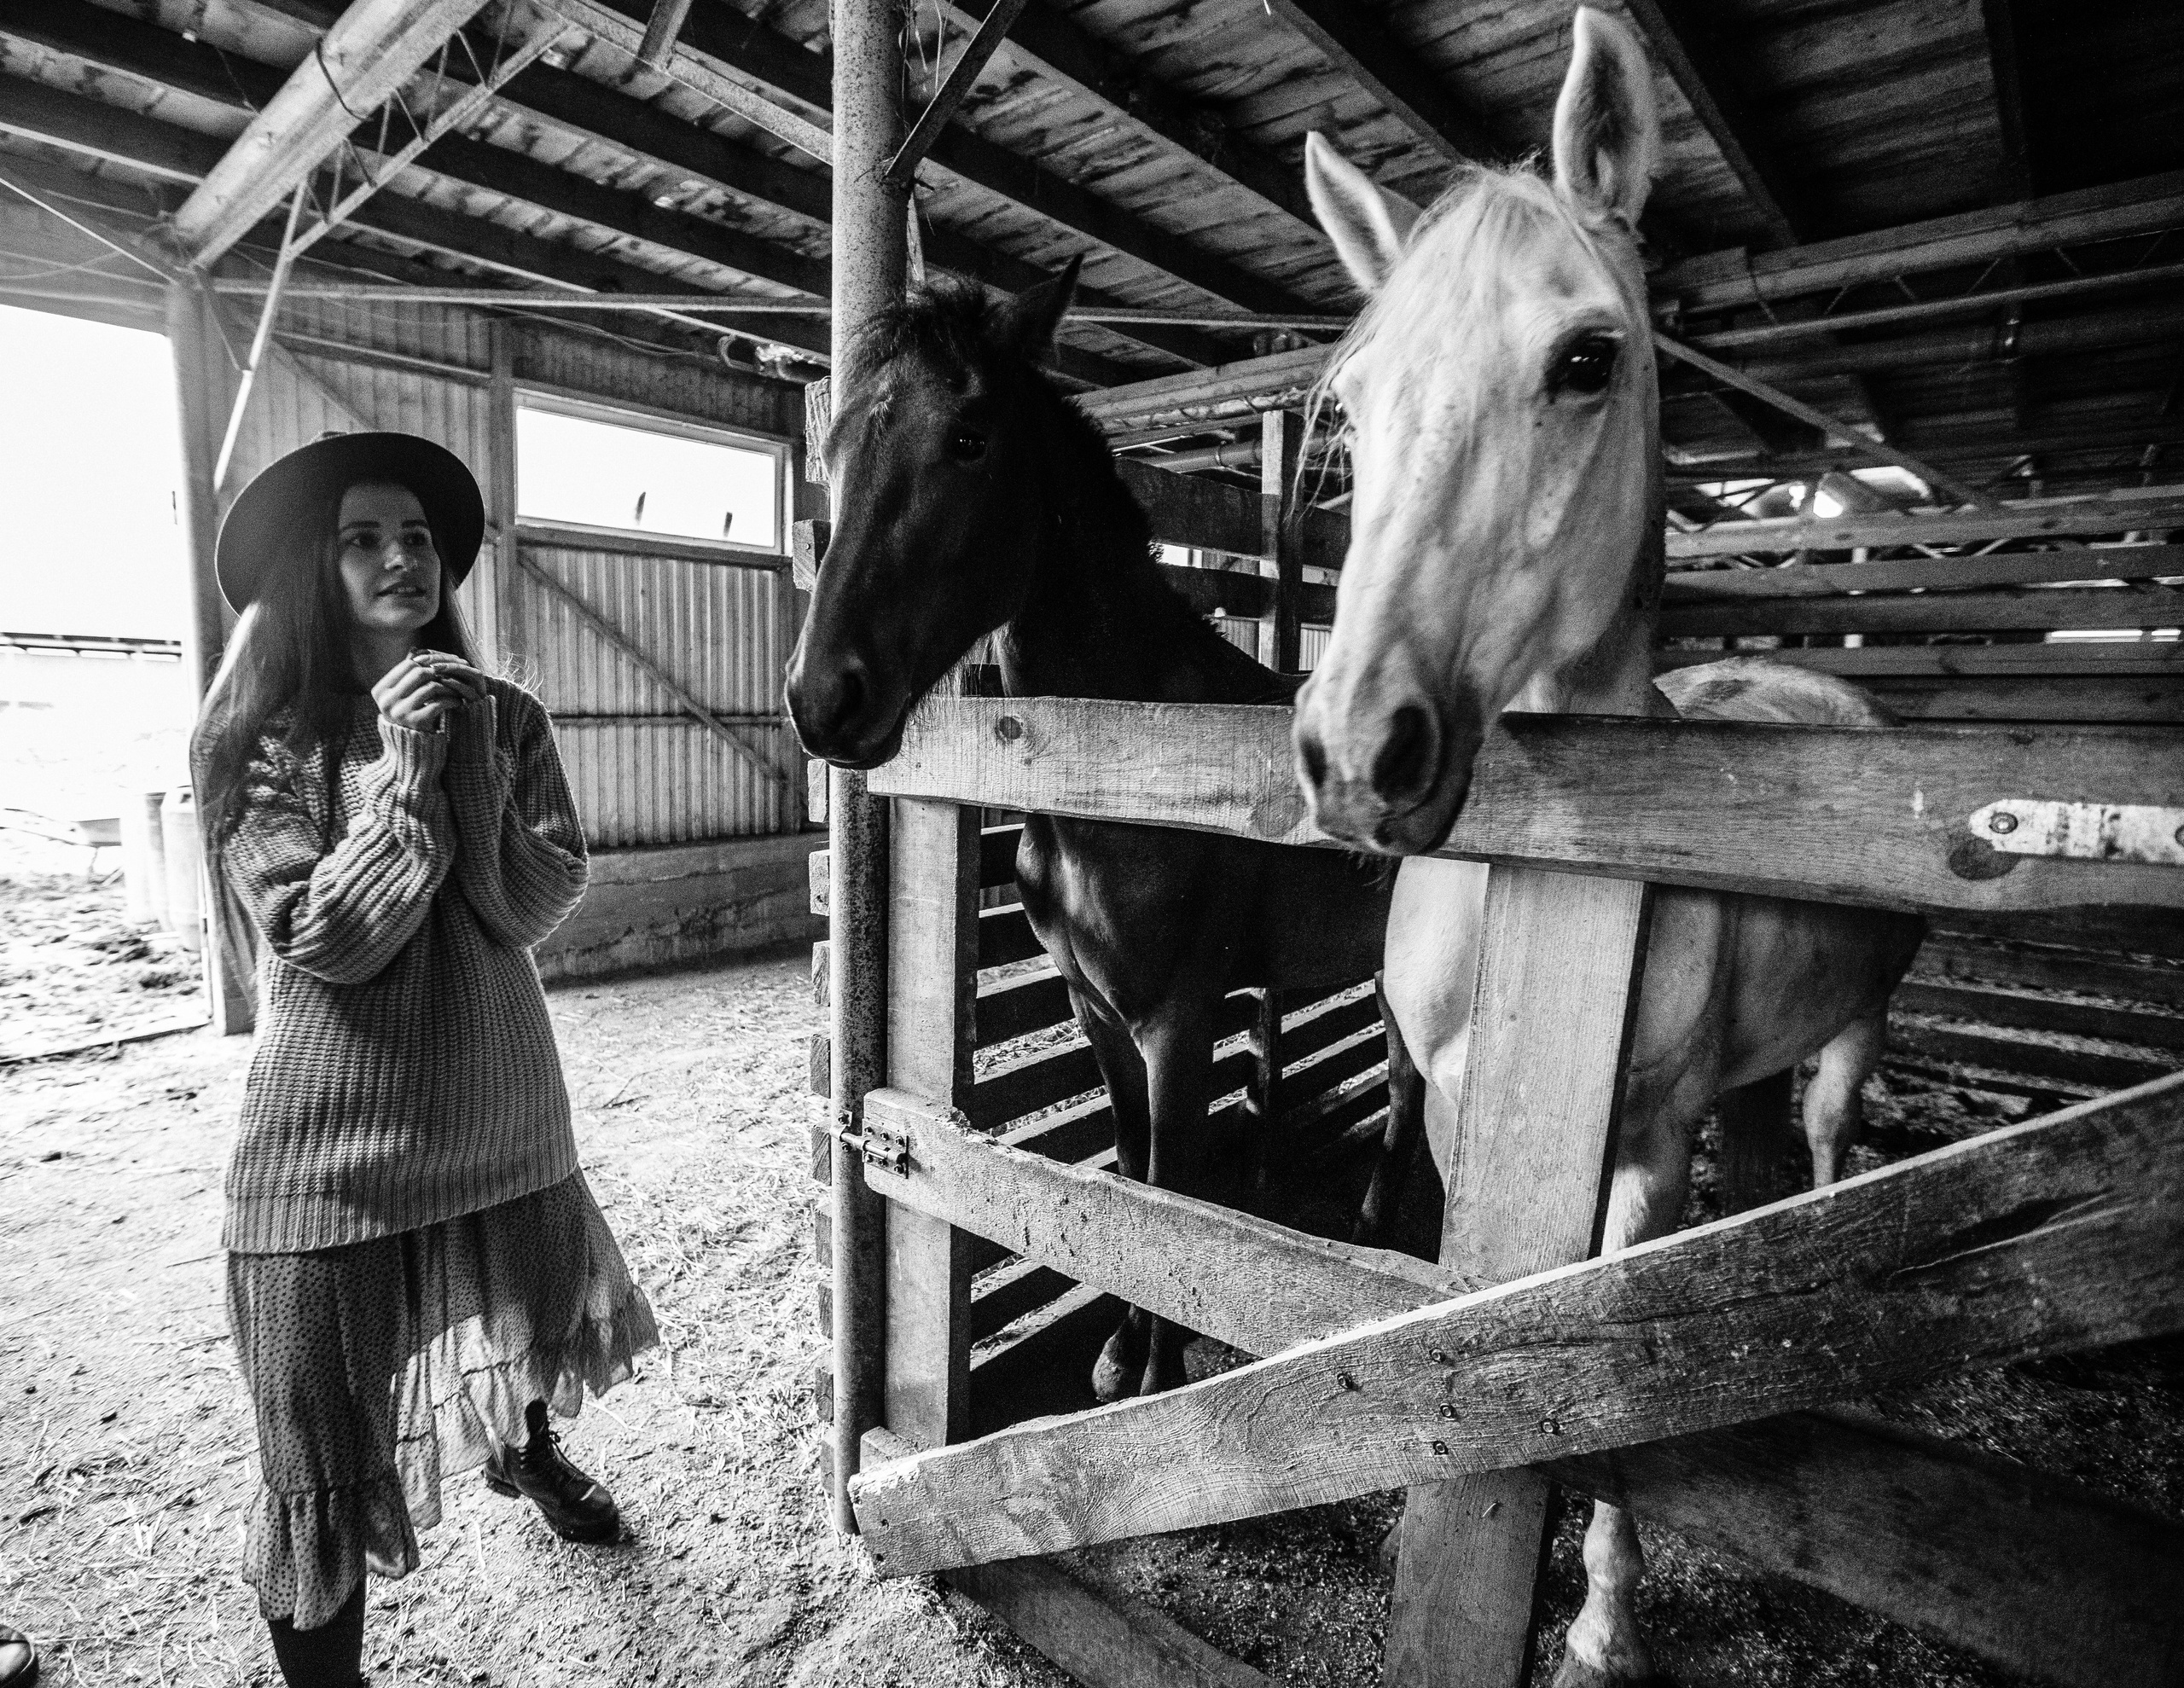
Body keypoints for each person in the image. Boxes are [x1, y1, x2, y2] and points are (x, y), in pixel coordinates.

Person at [190, 432, 658, 1687]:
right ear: (313, 565)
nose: (402, 557)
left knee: (520, 1316)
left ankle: (526, 1452)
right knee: (316, 1454)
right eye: (363, 538)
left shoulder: (505, 715)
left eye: (417, 539)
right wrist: (404, 776)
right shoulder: (260, 739)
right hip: (330, 1152)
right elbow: (325, 943)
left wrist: (468, 767)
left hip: (501, 1105)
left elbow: (532, 898)